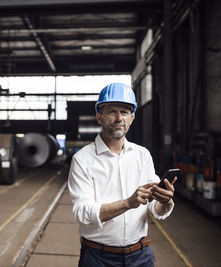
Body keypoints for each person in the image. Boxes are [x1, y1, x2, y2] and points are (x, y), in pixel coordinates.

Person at [68, 83, 176, 267]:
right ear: (99, 117)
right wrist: (127, 203)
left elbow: (155, 209)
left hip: (140, 256)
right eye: (112, 111)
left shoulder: (142, 155)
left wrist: (165, 202)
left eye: (125, 112)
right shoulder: (82, 159)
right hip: (98, 258)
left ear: (132, 118)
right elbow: (82, 212)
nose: (119, 118)